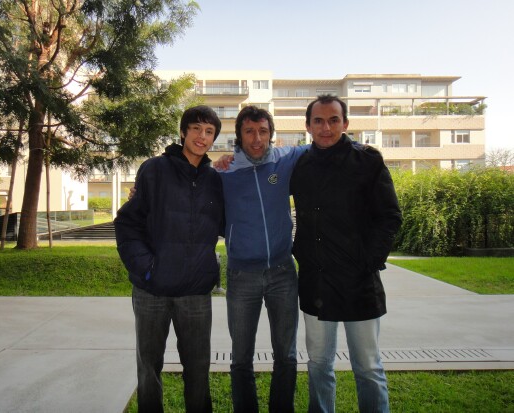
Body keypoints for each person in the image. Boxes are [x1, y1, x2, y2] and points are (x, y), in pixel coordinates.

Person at [290, 95, 402, 413]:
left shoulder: (368, 160)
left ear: (345, 123)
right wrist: (236, 161)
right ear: (308, 126)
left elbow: (390, 216)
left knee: (368, 366)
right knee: (319, 365)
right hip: (316, 282)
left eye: (333, 120)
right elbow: (268, 180)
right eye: (319, 121)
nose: (326, 128)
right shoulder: (298, 165)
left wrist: (370, 260)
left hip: (359, 283)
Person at [114, 105, 224, 413]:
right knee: (149, 367)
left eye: (209, 132)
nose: (202, 137)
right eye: (196, 129)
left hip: (195, 292)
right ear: (183, 131)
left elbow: (230, 222)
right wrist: (146, 268)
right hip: (152, 291)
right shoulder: (154, 169)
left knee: (199, 367)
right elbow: (127, 223)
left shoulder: (214, 180)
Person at [216, 106, 307, 413]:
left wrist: (356, 145)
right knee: (241, 357)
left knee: (287, 355)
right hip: (242, 275)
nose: (257, 139)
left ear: (271, 133)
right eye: (250, 132)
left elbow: (323, 144)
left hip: (282, 272)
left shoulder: (285, 159)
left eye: (263, 131)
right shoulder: (223, 172)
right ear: (239, 136)